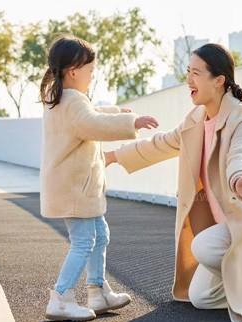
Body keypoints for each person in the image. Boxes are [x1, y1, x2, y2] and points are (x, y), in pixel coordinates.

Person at [105, 43, 242, 322]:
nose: (189, 79)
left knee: (206, 249)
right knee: (201, 298)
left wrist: (239, 178)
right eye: (189, 71)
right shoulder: (197, 118)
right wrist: (113, 156)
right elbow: (162, 143)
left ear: (219, 80)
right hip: (230, 224)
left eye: (197, 73)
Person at [39, 35, 159, 321]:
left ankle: (97, 291)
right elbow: (92, 123)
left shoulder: (66, 99)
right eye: (91, 71)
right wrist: (131, 122)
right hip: (74, 190)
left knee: (100, 235)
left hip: (80, 188)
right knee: (83, 241)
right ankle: (61, 297)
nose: (92, 77)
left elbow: (92, 114)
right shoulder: (71, 101)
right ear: (73, 71)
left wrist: (119, 112)